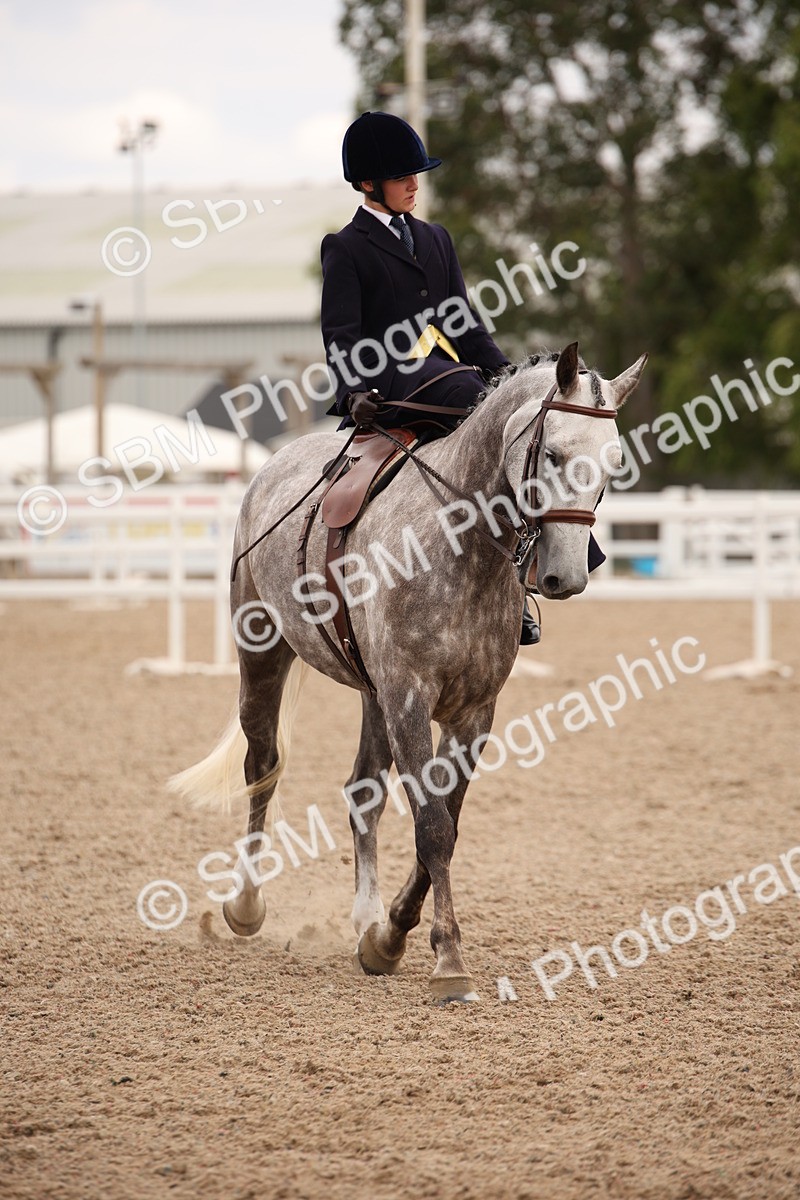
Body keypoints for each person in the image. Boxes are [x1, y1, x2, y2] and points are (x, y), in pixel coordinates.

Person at [320, 112, 539, 642]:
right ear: (369, 183)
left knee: (519, 417)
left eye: (417, 175)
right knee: (470, 391)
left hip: (442, 371)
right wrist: (353, 394)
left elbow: (462, 321)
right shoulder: (345, 247)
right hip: (387, 381)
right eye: (402, 177)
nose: (414, 185)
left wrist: (509, 377)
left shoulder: (435, 238)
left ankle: (521, 578)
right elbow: (341, 333)